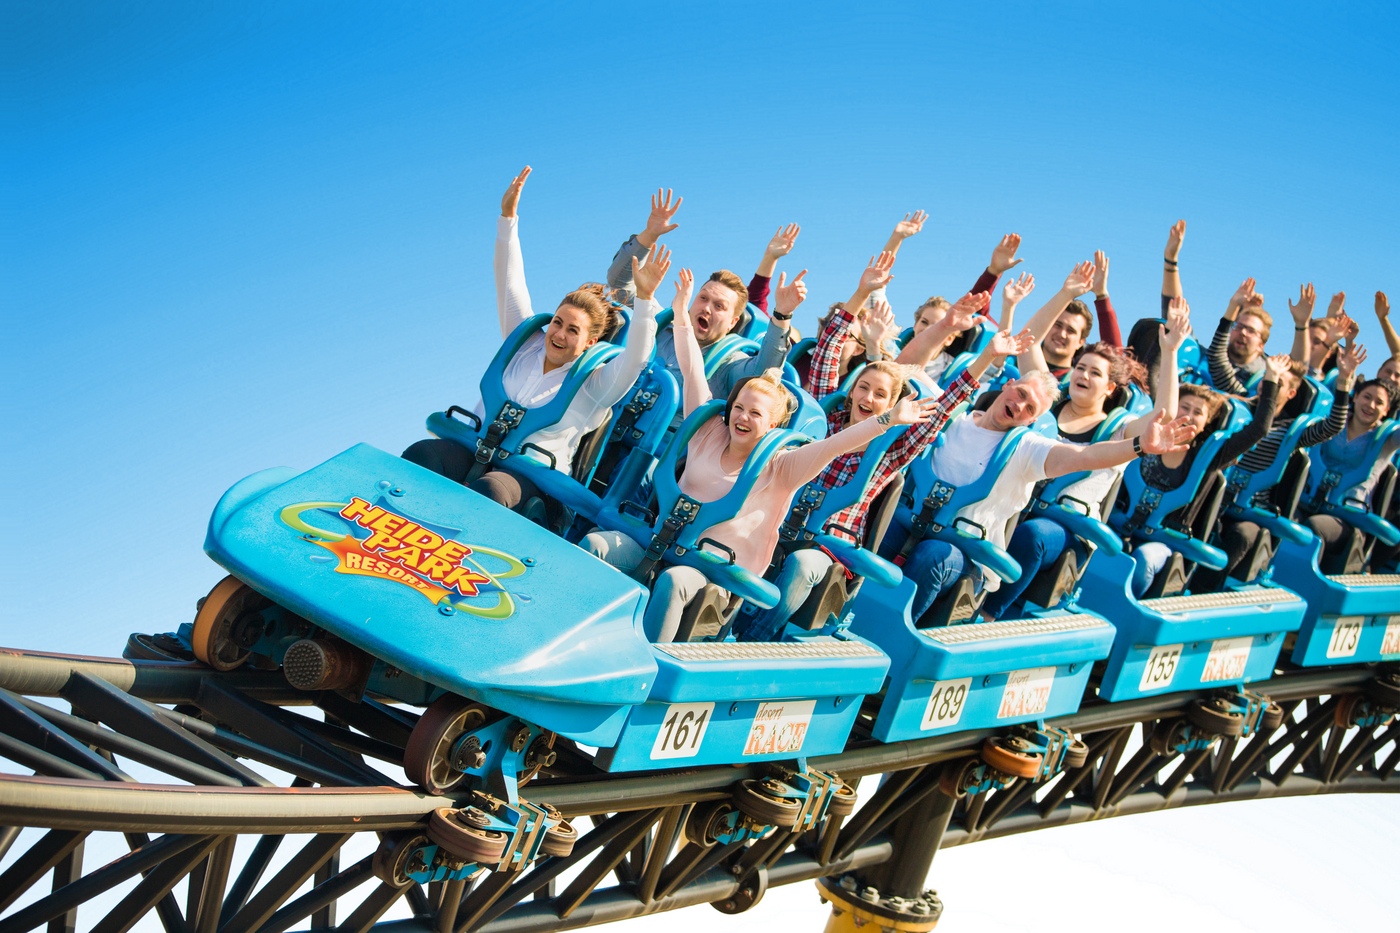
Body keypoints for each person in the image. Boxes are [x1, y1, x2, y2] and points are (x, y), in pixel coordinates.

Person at [582, 269, 949, 643]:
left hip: (715, 572)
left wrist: (887, 420)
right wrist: (679, 311)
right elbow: (692, 369)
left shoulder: (782, 466)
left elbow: (835, 445)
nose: (742, 418)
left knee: (675, 581)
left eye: (755, 414)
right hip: (662, 542)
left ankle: (650, 668)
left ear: (773, 424)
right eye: (739, 408)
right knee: (596, 544)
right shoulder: (707, 432)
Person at [739, 284, 1035, 642]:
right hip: (782, 522)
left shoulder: (891, 450)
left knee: (801, 565)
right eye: (864, 388)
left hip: (829, 545)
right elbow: (828, 352)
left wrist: (987, 356)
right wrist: (863, 290)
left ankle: (754, 639)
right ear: (852, 391)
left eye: (881, 394)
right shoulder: (826, 421)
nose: (869, 398)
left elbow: (946, 406)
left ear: (893, 406)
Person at [402, 167, 660, 520]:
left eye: (573, 330)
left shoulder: (595, 383)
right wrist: (508, 218)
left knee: (490, 491)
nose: (559, 334)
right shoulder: (525, 344)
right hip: (474, 449)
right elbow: (509, 282)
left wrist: (644, 300)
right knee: (424, 455)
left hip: (531, 481)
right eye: (558, 322)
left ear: (591, 342)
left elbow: (636, 359)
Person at [876, 366, 1193, 625]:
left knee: (932, 555)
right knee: (877, 532)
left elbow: (1085, 456)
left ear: (1031, 420)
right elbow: (907, 369)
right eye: (1021, 394)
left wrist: (1139, 446)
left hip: (962, 554)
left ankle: (889, 640)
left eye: (1030, 409)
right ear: (1008, 385)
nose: (1020, 405)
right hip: (909, 522)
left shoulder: (1027, 449)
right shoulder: (955, 417)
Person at [979, 299, 1190, 620]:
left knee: (1033, 535)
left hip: (1064, 531)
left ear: (1109, 387)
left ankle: (987, 614)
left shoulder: (1119, 428)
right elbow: (1028, 342)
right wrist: (1067, 292)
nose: (1084, 375)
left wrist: (1171, 351)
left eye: (1095, 373)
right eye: (1080, 368)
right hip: (1015, 508)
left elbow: (1164, 414)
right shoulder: (1048, 404)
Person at [1191, 342, 1363, 589]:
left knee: (1244, 534)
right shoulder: (1240, 407)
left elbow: (1333, 425)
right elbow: (1218, 366)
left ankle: (1205, 591)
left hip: (1250, 509)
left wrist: (1344, 380)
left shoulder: (1291, 430)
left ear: (1291, 393)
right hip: (1212, 495)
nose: (1267, 385)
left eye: (1277, 383)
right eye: (1266, 379)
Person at [604, 191, 795, 400]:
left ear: (732, 323)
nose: (706, 308)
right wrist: (649, 235)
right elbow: (619, 285)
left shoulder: (729, 363)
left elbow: (763, 374)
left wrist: (782, 314)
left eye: (719, 306)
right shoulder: (660, 324)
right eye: (703, 298)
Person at [1125, 356, 1290, 597]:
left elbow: (1259, 430)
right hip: (1124, 525)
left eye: (1198, 412)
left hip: (1165, 543)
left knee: (1144, 559)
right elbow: (1154, 378)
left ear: (1206, 422)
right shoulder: (1148, 438)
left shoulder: (1208, 457)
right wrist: (1168, 348)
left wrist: (1272, 378)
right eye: (1184, 407)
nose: (1189, 415)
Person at [898, 234, 1025, 385]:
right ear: (915, 324)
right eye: (924, 322)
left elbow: (991, 367)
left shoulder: (953, 370)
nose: (927, 329)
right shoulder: (893, 350)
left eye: (938, 325)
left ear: (950, 338)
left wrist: (1008, 306)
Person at [1300, 377, 1400, 567]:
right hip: (1310, 501)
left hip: (1348, 518)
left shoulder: (1387, 438)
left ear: (1386, 410)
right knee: (1290, 520)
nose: (1371, 405)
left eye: (1379, 403)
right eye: (1367, 397)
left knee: (1315, 526)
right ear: (1356, 397)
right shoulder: (1333, 422)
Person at [1014, 260, 1101, 380]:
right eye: (1058, 325)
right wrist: (1066, 293)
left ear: (1081, 342)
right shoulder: (1012, 361)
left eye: (1071, 330)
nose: (1062, 334)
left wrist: (1102, 295)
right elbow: (1026, 341)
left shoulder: (1077, 384)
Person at [1208, 277, 1285, 395]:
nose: (1243, 332)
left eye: (1251, 331)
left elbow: (1217, 360)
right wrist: (1246, 308)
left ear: (1261, 345)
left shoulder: (1261, 382)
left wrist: (1233, 305)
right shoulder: (1205, 358)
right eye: (1239, 327)